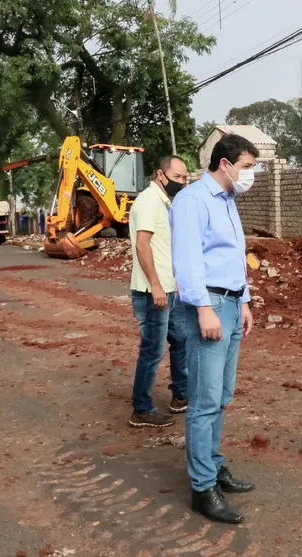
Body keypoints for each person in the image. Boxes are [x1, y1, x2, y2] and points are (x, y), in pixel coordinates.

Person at [170, 134, 258, 524]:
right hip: (209, 306)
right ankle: (202, 487)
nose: (250, 175)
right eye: (248, 167)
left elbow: (234, 256)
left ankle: (214, 465)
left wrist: (245, 300)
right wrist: (204, 309)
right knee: (204, 400)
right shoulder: (192, 200)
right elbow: (187, 260)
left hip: (231, 303)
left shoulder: (227, 201)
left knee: (221, 395)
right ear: (226, 164)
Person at [127, 155, 190, 428]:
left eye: (185, 177)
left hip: (168, 289)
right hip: (153, 292)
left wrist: (171, 281)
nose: (183, 182)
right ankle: (141, 409)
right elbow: (143, 246)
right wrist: (155, 285)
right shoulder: (148, 202)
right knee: (152, 350)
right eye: (178, 177)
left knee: (181, 338)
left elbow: (163, 248)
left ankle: (182, 394)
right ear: (160, 175)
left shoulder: (165, 203)